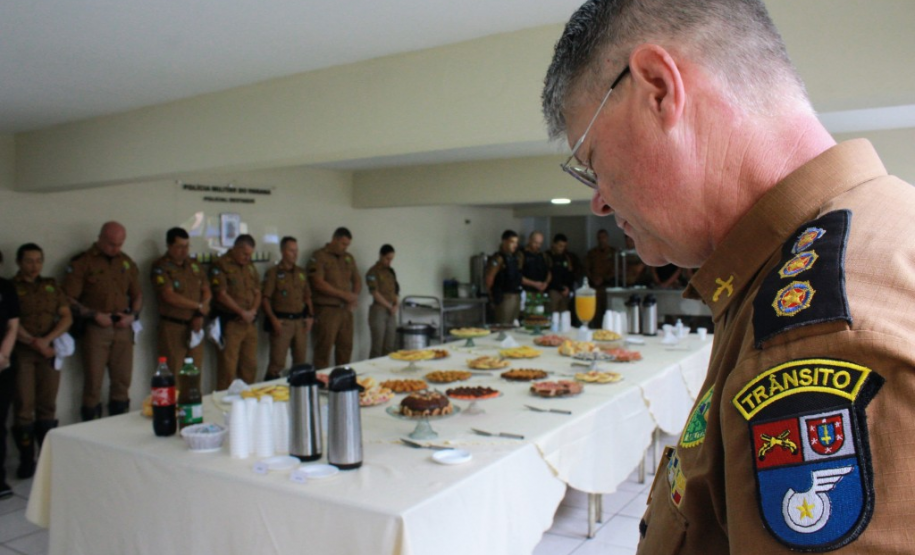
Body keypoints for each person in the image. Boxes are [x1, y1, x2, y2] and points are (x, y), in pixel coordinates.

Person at [543, 1, 915, 553]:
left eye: (592, 160)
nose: (597, 202)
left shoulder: (819, 333)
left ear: (657, 89)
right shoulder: (867, 234)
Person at [63, 221, 142, 420]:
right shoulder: (83, 262)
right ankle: (91, 428)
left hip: (122, 326)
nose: (115, 249)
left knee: (122, 382)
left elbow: (138, 295)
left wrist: (132, 315)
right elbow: (67, 298)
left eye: (120, 244)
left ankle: (118, 426)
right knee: (93, 383)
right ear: (100, 239)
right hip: (96, 328)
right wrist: (93, 315)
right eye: (111, 244)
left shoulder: (126, 262)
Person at [11, 244, 72, 479]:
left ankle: (47, 458)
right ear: (19, 262)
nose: (34, 266)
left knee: (47, 404)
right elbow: (11, 322)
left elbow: (65, 317)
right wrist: (34, 342)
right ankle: (27, 460)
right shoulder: (12, 287)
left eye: (38, 260)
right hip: (24, 352)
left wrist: (47, 341)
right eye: (29, 261)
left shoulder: (51, 285)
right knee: (24, 405)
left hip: (49, 351)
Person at [150, 227, 211, 374]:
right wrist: (198, 306)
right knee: (174, 373)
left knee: (194, 374)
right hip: (173, 327)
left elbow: (206, 290)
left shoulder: (194, 265)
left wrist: (200, 313)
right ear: (169, 246)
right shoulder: (161, 267)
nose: (184, 251)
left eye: (187, 246)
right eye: (179, 247)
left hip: (195, 325)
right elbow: (169, 296)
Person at [209, 234, 260, 389]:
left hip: (249, 323)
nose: (247, 258)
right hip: (231, 324)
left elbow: (258, 291)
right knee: (228, 370)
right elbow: (221, 295)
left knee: (250, 367)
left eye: (250, 255)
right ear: (236, 248)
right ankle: (224, 406)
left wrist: (252, 311)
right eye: (244, 254)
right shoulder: (221, 265)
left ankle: (247, 402)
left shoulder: (250, 266)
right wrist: (241, 312)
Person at [308, 227, 361, 370]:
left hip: (345, 311)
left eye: (347, 245)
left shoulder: (348, 258)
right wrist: (343, 295)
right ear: (334, 240)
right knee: (323, 350)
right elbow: (318, 282)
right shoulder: (319, 256)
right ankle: (320, 383)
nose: (345, 248)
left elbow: (357, 280)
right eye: (343, 244)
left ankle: (342, 382)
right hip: (327, 310)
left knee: (345, 348)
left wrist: (353, 297)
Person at [262, 236, 314, 380]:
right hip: (282, 322)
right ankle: (271, 392)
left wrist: (310, 316)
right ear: (283, 251)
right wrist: (273, 320)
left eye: (296, 250)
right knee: (277, 364)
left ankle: (297, 392)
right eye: (291, 251)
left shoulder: (301, 273)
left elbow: (307, 297)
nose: (295, 254)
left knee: (300, 363)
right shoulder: (273, 273)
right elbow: (265, 298)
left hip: (300, 322)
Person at [0, 250, 20, 498]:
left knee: (0, 421)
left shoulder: (6, 288)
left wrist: (3, 356)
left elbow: (12, 325)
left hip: (2, 364)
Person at [366, 244, 400, 358]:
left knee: (390, 347)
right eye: (387, 259)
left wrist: (396, 304)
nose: (389, 262)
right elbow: (374, 292)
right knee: (377, 347)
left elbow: (395, 291)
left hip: (391, 310)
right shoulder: (373, 272)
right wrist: (389, 306)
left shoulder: (390, 272)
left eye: (391, 259)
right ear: (381, 255)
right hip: (379, 310)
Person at [485, 230, 524, 325]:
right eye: (512, 242)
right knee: (503, 325)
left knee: (513, 325)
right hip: (504, 297)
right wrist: (491, 296)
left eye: (516, 242)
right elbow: (490, 278)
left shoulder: (514, 258)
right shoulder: (498, 258)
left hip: (516, 295)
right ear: (504, 241)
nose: (515, 245)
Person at [584, 229, 615, 327]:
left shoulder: (613, 252)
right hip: (595, 288)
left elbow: (616, 269)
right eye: (599, 238)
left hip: (608, 287)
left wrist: (604, 278)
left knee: (608, 311)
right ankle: (596, 330)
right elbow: (587, 268)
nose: (602, 240)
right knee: (595, 311)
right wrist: (593, 279)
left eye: (604, 237)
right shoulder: (592, 253)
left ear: (607, 238)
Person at [547, 233, 576, 313]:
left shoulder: (566, 258)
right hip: (553, 290)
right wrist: (559, 288)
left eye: (564, 246)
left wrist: (568, 288)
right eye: (560, 246)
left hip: (565, 292)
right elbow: (548, 275)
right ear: (554, 244)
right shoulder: (547, 256)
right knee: (552, 315)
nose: (562, 248)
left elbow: (569, 274)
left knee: (564, 316)